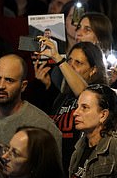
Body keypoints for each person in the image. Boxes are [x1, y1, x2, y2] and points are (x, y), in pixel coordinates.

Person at [39, 41, 108, 171]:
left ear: (93, 70)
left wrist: (59, 59)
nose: (70, 66)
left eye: (78, 63)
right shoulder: (62, 97)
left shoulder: (99, 95)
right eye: (69, 60)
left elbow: (85, 92)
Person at [0, 55, 62, 154]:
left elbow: (51, 168)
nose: (1, 86)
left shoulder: (42, 125)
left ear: (23, 86)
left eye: (9, 80)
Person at [69, 84, 117, 177]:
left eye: (84, 107)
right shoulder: (80, 146)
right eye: (77, 106)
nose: (75, 113)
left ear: (103, 115)